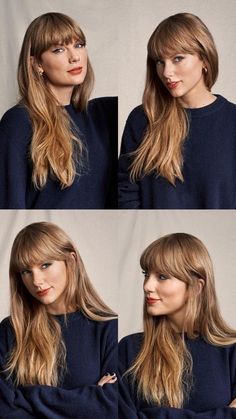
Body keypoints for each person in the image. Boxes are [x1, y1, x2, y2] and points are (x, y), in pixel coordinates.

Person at [118, 12, 236, 209]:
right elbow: (126, 190)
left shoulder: (232, 121)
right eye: (159, 61)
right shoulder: (143, 119)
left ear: (205, 59)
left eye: (178, 58)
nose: (166, 72)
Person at [0, 222, 117, 418]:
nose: (36, 281)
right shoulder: (10, 330)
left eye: (45, 265)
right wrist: (91, 396)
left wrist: (27, 395)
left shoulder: (108, 328)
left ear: (70, 261)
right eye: (26, 271)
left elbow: (110, 407)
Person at [0, 12, 117, 209]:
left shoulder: (101, 115)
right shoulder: (19, 121)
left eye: (79, 45)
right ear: (37, 64)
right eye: (59, 50)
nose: (74, 57)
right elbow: (9, 204)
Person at [119, 233, 236, 418]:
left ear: (197, 287)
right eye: (146, 274)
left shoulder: (231, 350)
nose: (147, 285)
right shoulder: (129, 349)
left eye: (162, 276)